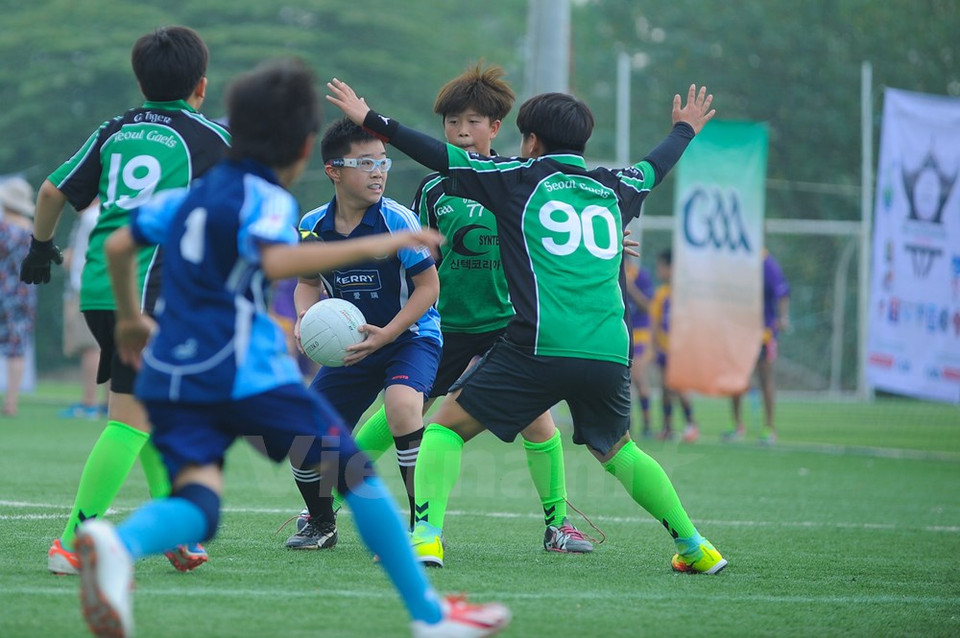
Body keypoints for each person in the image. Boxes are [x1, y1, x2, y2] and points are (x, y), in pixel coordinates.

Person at [77, 58, 510, 638]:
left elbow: (118, 246)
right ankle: (430, 617)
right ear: (306, 149)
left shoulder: (191, 196)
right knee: (357, 476)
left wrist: (131, 321)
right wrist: (375, 246)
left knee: (199, 503)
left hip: (172, 374)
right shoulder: (267, 199)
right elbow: (277, 259)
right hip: (240, 371)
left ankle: (118, 543)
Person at [326, 78, 728, 574]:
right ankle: (695, 546)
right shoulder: (617, 186)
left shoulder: (516, 178)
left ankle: (426, 538)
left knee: (443, 431)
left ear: (531, 141)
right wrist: (685, 129)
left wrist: (371, 120)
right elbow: (657, 164)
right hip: (608, 349)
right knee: (619, 450)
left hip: (538, 342)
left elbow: (436, 154)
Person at [343, 63, 593, 563]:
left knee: (538, 422)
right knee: (403, 410)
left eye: (473, 121)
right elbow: (420, 260)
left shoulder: (519, 181)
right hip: (446, 324)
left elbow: (558, 233)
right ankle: (327, 495)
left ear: (495, 127)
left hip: (507, 324)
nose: (460, 130)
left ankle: (558, 524)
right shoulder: (434, 189)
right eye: (452, 122)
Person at [19, 25, 230, 575]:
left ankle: (175, 528)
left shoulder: (114, 129)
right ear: (201, 86)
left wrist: (41, 247)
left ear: (140, 82)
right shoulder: (211, 137)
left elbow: (52, 190)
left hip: (99, 286)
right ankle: (72, 542)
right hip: (149, 294)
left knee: (151, 408)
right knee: (131, 418)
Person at [282, 117, 443, 550]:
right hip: (351, 348)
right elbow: (307, 282)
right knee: (304, 433)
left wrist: (387, 334)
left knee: (403, 407)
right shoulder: (313, 225)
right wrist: (304, 318)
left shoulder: (397, 220)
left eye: (383, 162)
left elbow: (428, 288)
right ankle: (320, 523)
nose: (378, 172)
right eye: (366, 163)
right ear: (333, 170)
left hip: (409, 337)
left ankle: (423, 527)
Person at [727, 249, 791, 444]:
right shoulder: (737, 261)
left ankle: (769, 428)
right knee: (736, 377)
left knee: (765, 377)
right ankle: (737, 425)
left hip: (764, 332)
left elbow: (782, 293)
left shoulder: (767, 264)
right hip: (740, 330)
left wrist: (782, 317)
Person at [60, 200, 106, 419]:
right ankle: (107, 403)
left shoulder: (91, 216)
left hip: (86, 287)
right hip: (103, 286)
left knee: (90, 348)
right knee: (109, 347)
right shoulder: (107, 210)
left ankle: (89, 402)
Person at [649, 248, 700, 443]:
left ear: (671, 268)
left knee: (680, 388)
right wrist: (654, 347)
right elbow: (655, 322)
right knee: (665, 389)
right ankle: (667, 428)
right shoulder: (661, 294)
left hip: (681, 350)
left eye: (661, 267)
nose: (658, 271)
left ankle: (691, 424)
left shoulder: (684, 294)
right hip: (664, 349)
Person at [0, 177, 38, 417]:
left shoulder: (4, 229)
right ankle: (11, 402)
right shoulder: (34, 231)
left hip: (3, 291)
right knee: (17, 347)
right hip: (23, 295)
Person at [624, 256, 655, 438]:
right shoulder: (611, 274)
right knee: (623, 380)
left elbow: (648, 306)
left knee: (638, 376)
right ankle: (626, 424)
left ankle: (647, 424)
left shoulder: (641, 276)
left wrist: (630, 287)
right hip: (621, 332)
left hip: (641, 333)